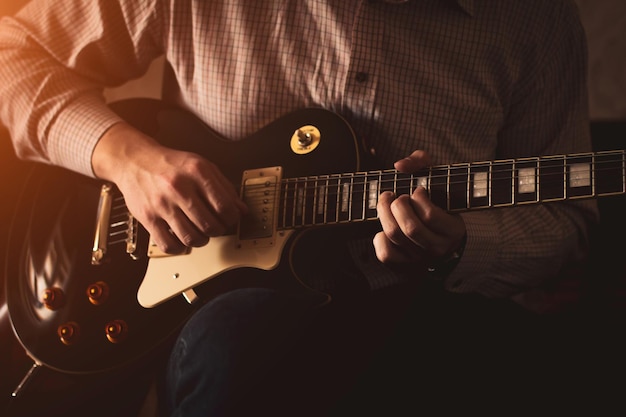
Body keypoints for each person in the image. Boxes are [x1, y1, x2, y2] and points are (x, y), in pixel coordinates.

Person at [0, 0, 602, 415]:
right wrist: (126, 157)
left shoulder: (536, 21)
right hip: (188, 292)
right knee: (237, 342)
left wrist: (461, 244)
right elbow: (11, 51)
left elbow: (565, 223)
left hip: (417, 309)